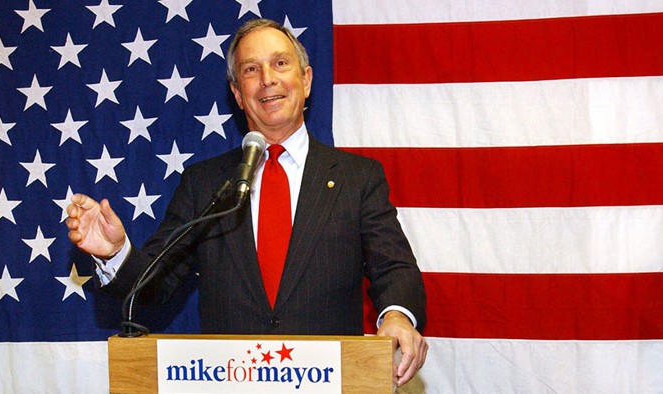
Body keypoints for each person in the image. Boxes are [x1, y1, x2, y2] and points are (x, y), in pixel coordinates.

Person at [66, 18, 428, 386]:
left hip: (332, 383)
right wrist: (114, 254)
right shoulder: (204, 183)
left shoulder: (358, 178)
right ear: (238, 94)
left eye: (280, 63)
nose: (268, 78)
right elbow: (155, 284)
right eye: (251, 69)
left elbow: (395, 268)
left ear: (306, 79)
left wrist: (396, 315)